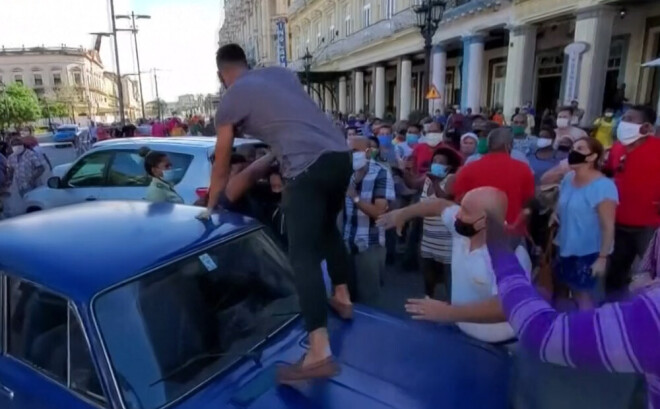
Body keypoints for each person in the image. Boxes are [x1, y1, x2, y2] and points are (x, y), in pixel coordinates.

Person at [199, 44, 352, 382]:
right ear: (247, 63)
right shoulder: (281, 74)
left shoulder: (230, 98)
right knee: (327, 229)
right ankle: (342, 294)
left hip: (305, 167)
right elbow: (290, 117)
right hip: (340, 156)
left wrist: (211, 204)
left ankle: (318, 351)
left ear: (221, 74)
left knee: (302, 255)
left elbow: (222, 159)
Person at [486, 224, 660, 409]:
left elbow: (541, 332)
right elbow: (649, 266)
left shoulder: (653, 316)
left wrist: (496, 241)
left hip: (585, 255)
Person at [378, 186, 532, 343]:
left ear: (484, 221)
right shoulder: (464, 228)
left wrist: (447, 313)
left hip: (500, 345)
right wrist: (403, 214)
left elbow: (507, 306)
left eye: (465, 211)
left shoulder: (512, 256)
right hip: (461, 333)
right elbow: (440, 205)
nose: (457, 214)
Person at [556, 137, 618, 309]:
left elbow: (608, 225)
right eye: (573, 148)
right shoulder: (569, 178)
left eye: (580, 148)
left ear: (592, 157)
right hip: (565, 246)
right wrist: (555, 214)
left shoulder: (604, 186)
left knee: (584, 296)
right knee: (565, 290)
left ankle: (589, 333)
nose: (573, 152)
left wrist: (602, 258)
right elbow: (562, 202)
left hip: (589, 252)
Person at [605, 105, 660, 293]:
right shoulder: (616, 148)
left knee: (652, 278)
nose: (623, 123)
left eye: (629, 119)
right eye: (623, 118)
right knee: (614, 275)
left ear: (646, 126)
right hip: (618, 224)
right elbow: (609, 176)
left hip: (649, 227)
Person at [343, 136, 395, 306]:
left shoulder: (381, 172)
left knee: (368, 301)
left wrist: (355, 197)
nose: (350, 155)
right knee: (346, 298)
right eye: (348, 151)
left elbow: (379, 212)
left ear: (367, 152)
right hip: (345, 243)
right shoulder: (345, 172)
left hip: (369, 246)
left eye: (354, 151)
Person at [453, 128, 535, 227]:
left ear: (488, 145)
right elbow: (528, 202)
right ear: (509, 145)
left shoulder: (468, 169)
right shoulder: (523, 169)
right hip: (510, 230)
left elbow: (459, 199)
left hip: (476, 230)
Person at [419, 147, 461, 300]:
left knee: (449, 278)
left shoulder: (451, 179)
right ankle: (428, 301)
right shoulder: (427, 179)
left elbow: (447, 200)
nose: (436, 164)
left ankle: (453, 310)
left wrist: (436, 182)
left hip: (446, 241)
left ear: (449, 167)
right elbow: (412, 184)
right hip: (429, 237)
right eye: (434, 161)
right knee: (428, 275)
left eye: (441, 162)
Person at [5, 137, 45, 217]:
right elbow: (11, 170)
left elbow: (41, 168)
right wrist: (9, 180)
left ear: (22, 145)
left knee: (36, 204)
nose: (16, 147)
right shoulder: (11, 157)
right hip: (21, 186)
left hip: (34, 185)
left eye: (18, 144)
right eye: (14, 145)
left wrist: (33, 178)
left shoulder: (30, 154)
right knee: (27, 203)